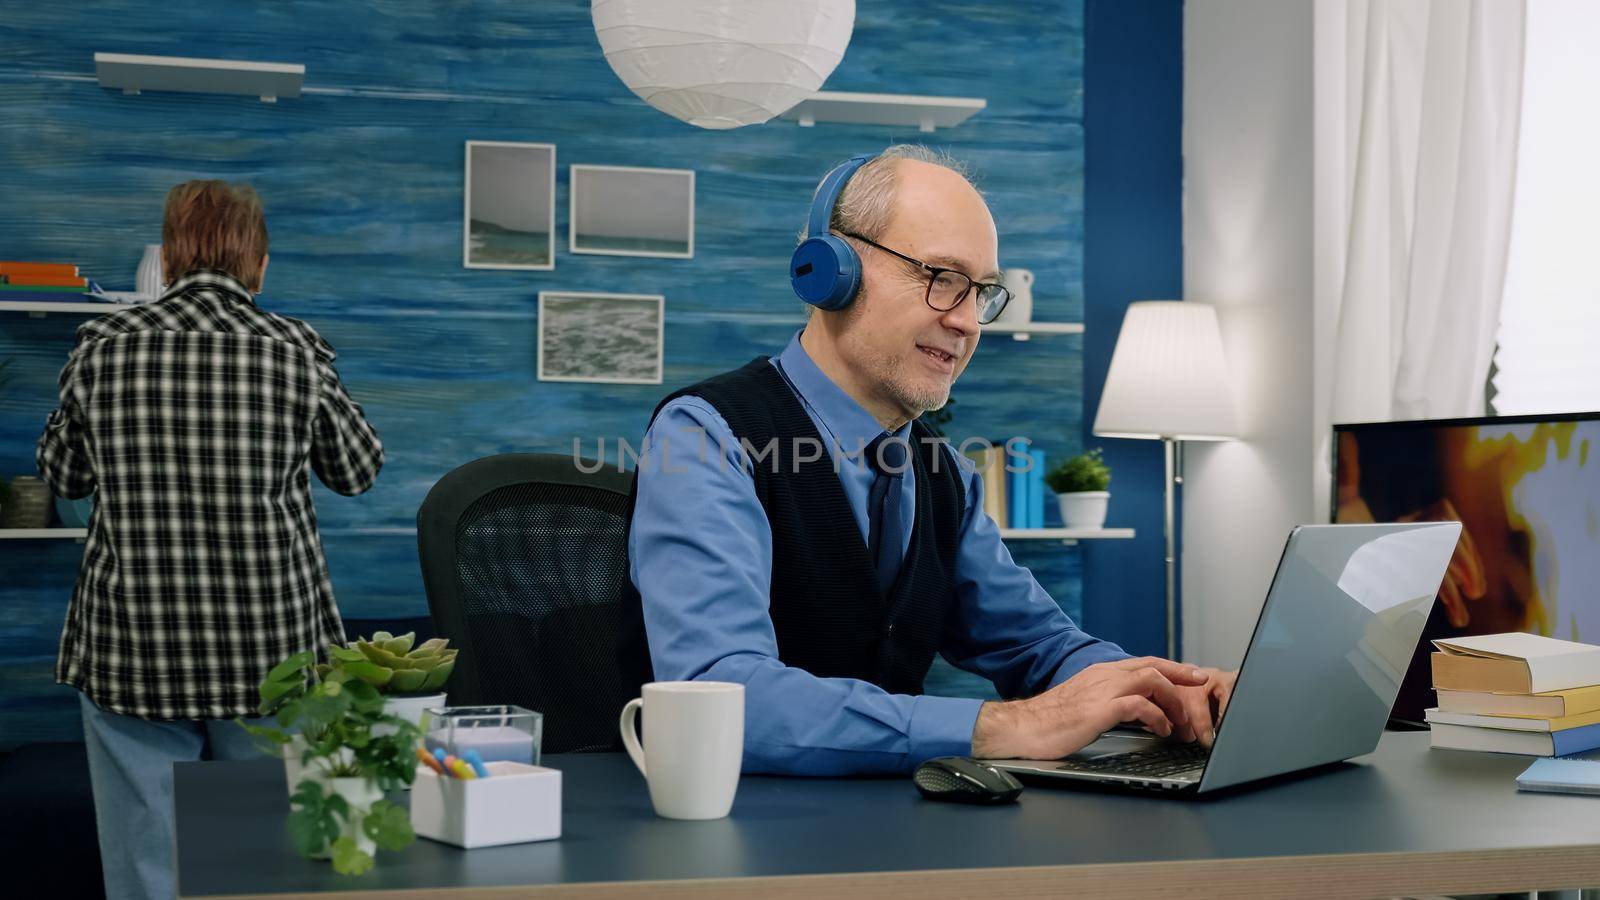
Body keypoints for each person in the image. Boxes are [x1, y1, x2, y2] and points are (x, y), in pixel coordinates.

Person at [619, 146, 1235, 775]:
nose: (967, 321)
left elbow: (1038, 644)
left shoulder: (944, 476)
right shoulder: (704, 436)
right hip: (726, 843)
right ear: (832, 271)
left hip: (892, 836)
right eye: (942, 278)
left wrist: (1161, 689)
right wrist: (1007, 725)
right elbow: (721, 697)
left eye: (982, 293)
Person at [35, 180, 383, 900]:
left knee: (144, 860)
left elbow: (63, 475)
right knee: (261, 863)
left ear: (167, 259)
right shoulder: (295, 348)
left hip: (133, 641)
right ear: (256, 262)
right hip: (269, 649)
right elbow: (356, 470)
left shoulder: (102, 346)